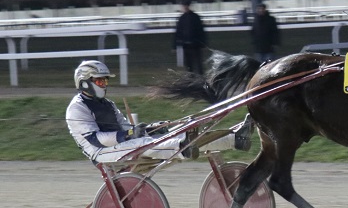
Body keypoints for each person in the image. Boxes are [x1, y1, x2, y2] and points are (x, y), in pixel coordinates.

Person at [66, 60, 251, 164]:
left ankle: (234, 139)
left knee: (174, 131)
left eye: (105, 81)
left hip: (117, 146)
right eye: (100, 81)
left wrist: (150, 128)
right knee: (146, 143)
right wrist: (130, 133)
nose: (104, 84)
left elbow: (125, 128)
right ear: (84, 82)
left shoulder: (107, 103)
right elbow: (96, 140)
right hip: (100, 153)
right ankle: (182, 148)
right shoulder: (77, 108)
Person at [174, 2, 207, 74]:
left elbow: (201, 31)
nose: (184, 8)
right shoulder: (182, 18)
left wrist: (203, 44)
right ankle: (191, 79)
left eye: (185, 6)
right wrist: (175, 45)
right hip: (186, 45)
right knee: (189, 65)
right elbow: (178, 32)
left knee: (198, 64)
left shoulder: (195, 17)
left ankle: (201, 79)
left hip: (195, 44)